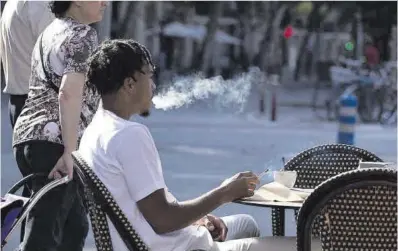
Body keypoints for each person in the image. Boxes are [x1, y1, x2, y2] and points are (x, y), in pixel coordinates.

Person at [79, 39, 281, 251]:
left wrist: (196, 219)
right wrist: (224, 193)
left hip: (153, 239)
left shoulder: (95, 129)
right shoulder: (129, 135)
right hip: (173, 247)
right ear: (130, 84)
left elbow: (147, 208)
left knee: (246, 223)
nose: (153, 85)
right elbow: (163, 219)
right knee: (304, 244)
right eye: (149, 76)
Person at [12, 1, 107, 251]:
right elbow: (68, 93)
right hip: (54, 142)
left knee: (73, 227)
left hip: (28, 137)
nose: (105, 2)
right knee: (45, 232)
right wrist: (70, 151)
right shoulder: (83, 35)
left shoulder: (50, 31)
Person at [0, 0, 54, 128]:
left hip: (19, 102)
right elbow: (56, 59)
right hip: (41, 106)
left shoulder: (11, 5)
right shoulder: (40, 6)